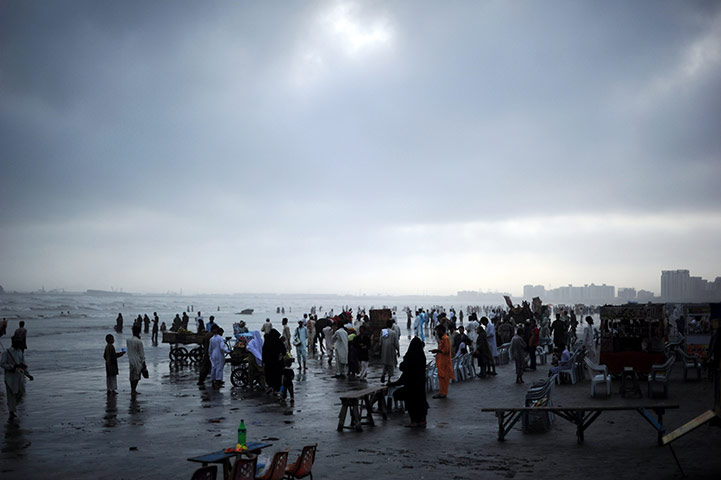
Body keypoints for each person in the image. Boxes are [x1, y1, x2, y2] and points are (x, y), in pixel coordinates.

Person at [389, 337, 429, 428]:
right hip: (420, 383)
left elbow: (403, 367)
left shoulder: (410, 355)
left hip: (411, 384)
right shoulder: (422, 356)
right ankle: (422, 420)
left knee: (412, 402)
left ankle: (414, 421)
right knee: (421, 401)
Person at [1, 337, 33, 420]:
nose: (20, 344)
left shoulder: (20, 352)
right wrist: (12, 367)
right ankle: (11, 412)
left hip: (19, 376)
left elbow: (23, 364)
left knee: (21, 392)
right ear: (13, 342)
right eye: (18, 342)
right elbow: (2, 364)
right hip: (10, 377)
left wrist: (28, 375)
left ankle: (12, 406)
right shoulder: (6, 352)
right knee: (10, 395)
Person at [430, 325, 454, 398]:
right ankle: (442, 392)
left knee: (444, 377)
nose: (437, 332)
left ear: (441, 331)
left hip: (445, 362)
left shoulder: (445, 338)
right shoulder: (442, 339)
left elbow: (446, 350)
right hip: (441, 361)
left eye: (438, 331)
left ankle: (443, 393)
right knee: (441, 377)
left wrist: (436, 350)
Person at [263, 329, 286, 394]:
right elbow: (284, 351)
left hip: (268, 363)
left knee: (269, 375)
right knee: (277, 376)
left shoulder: (267, 341)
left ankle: (270, 386)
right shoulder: (278, 341)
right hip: (277, 363)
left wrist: (264, 361)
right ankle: (276, 390)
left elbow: (264, 352)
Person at [126, 325, 145, 396]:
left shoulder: (128, 340)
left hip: (131, 360)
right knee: (136, 376)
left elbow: (128, 349)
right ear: (139, 332)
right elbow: (141, 354)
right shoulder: (139, 341)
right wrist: (143, 363)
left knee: (132, 376)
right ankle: (134, 390)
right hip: (138, 361)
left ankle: (132, 390)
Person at [380, 320, 399, 384]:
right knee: (391, 365)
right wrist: (398, 350)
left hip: (384, 350)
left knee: (385, 364)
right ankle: (389, 379)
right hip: (391, 350)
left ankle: (383, 374)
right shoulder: (393, 333)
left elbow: (381, 342)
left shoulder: (383, 331)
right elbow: (396, 343)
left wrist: (381, 350)